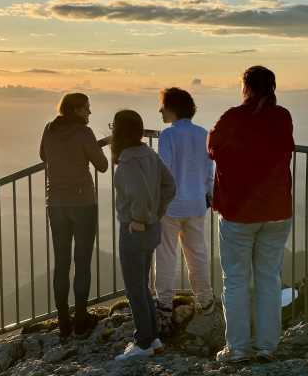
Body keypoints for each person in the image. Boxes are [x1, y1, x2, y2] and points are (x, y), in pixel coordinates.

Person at [208, 66, 294, 363]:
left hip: (238, 213)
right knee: (268, 277)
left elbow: (213, 147)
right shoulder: (282, 117)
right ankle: (267, 346)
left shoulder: (233, 117)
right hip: (277, 211)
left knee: (236, 280)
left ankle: (238, 348)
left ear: (245, 86)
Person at [40, 93, 108, 339]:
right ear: (77, 110)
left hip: (55, 202)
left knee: (61, 262)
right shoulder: (84, 133)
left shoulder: (50, 128)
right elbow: (101, 165)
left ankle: (63, 323)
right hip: (82, 203)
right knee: (82, 261)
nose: (89, 113)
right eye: (87, 109)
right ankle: (81, 319)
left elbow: (43, 156)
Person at [111, 109, 176, 360]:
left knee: (134, 288)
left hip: (134, 230)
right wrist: (156, 215)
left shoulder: (128, 160)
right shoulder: (149, 152)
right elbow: (170, 185)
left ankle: (143, 342)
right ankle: (154, 338)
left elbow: (138, 193)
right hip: (151, 230)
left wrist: (140, 219)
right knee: (142, 285)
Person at [154, 87, 215, 334]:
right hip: (197, 203)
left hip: (171, 205)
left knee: (166, 255)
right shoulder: (203, 134)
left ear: (173, 108)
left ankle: (165, 308)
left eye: (163, 106)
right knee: (197, 253)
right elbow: (209, 170)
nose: (160, 110)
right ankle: (206, 301)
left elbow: (164, 171)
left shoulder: (168, 136)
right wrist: (208, 194)